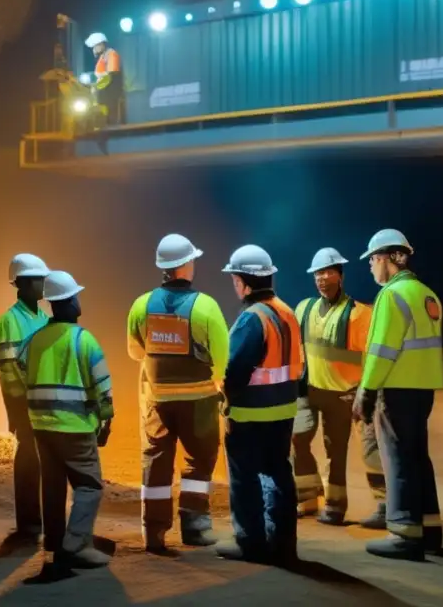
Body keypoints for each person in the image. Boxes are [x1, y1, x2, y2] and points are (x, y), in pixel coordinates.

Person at [126, 234, 229, 553]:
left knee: (156, 463)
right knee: (198, 462)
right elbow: (223, 358)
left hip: (156, 403)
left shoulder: (141, 305)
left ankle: (153, 533)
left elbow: (134, 352)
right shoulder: (206, 306)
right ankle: (194, 528)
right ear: (185, 265)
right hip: (198, 403)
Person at [352, 229, 443, 562]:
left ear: (388, 259)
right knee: (418, 457)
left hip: (398, 388)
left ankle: (404, 533)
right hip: (423, 389)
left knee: (398, 460)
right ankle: (429, 529)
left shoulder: (392, 296)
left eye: (373, 260)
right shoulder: (428, 295)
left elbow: (381, 350)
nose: (371, 268)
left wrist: (366, 390)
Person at [18, 270, 113, 570]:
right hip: (76, 427)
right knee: (89, 485)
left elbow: (21, 372)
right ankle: (77, 544)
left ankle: (55, 542)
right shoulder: (84, 340)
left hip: (42, 427)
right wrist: (106, 420)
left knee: (54, 486)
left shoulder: (34, 340)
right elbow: (103, 387)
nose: (79, 301)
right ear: (69, 301)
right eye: (77, 296)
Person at [216, 244, 305, 564]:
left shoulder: (250, 319)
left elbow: (236, 370)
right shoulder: (288, 312)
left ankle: (250, 544)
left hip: (250, 412)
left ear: (243, 282)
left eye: (234, 279)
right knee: (279, 474)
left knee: (245, 478)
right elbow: (299, 364)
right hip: (284, 411)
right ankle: (283, 544)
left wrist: (225, 397)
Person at [293, 247, 386, 528]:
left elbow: (371, 355)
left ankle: (335, 506)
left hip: (343, 393)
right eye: (318, 273)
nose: (322, 278)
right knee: (298, 438)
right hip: (309, 389)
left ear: (340, 276)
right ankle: (307, 498)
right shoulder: (304, 308)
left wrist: (364, 390)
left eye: (328, 272)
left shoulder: (359, 314)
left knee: (337, 452)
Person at [0, 253, 50, 542]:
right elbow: (7, 369)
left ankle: (40, 521)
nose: (44, 285)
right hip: (25, 405)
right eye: (40, 279)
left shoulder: (44, 319)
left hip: (46, 404)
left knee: (43, 464)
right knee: (27, 460)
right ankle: (28, 525)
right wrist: (15, 410)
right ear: (25, 284)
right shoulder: (8, 321)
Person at [84, 32, 124, 125]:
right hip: (104, 94)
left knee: (111, 117)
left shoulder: (112, 55)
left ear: (101, 44)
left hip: (111, 94)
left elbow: (110, 75)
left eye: (95, 46)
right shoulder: (103, 57)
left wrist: (96, 87)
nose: (93, 49)